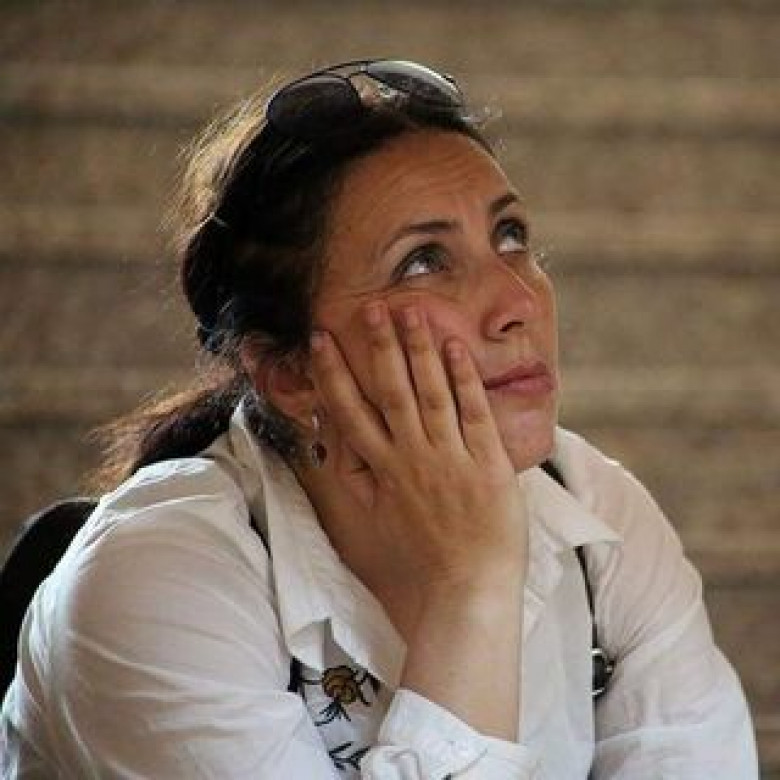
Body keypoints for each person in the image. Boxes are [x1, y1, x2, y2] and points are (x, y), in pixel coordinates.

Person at [1, 59, 758, 778]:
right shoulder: (151, 584)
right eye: (424, 260)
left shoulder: (596, 514)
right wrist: (472, 586)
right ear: (291, 373)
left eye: (511, 237)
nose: (521, 302)